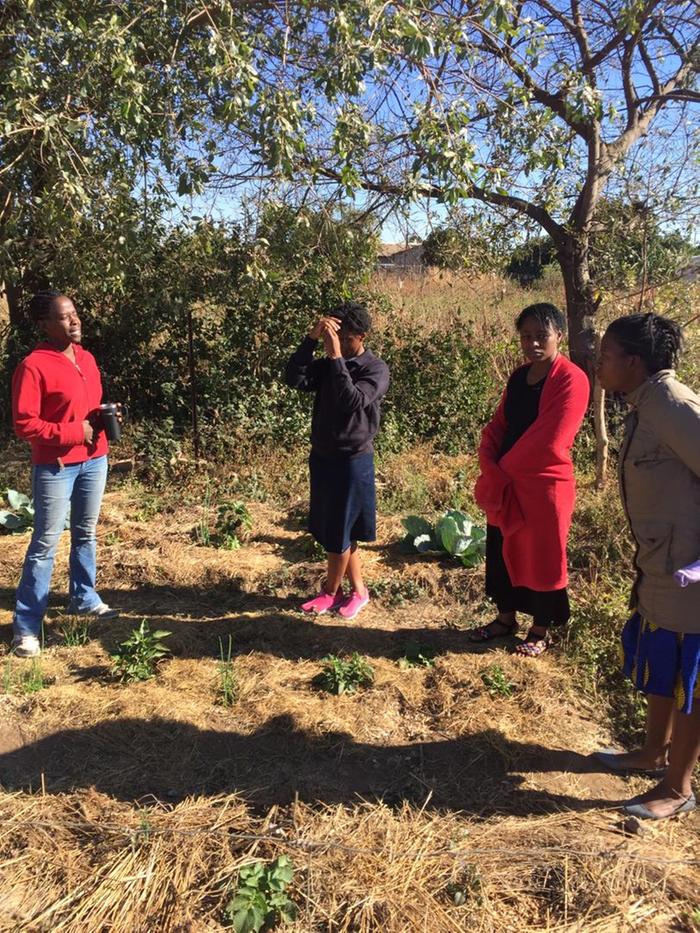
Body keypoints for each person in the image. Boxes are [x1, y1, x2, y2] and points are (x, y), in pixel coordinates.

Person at [594, 313, 698, 820]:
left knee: (690, 679)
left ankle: (677, 787)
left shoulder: (673, 405)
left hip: (689, 575)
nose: (599, 363)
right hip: (661, 565)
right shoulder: (645, 401)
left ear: (633, 362)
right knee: (663, 660)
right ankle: (651, 752)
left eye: (607, 354)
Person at [471, 303, 589, 657]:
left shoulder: (572, 379)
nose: (533, 343)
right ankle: (505, 618)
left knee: (543, 557)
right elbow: (498, 425)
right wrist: (487, 458)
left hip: (544, 485)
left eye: (542, 336)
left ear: (559, 336)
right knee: (501, 549)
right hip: (506, 482)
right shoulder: (520, 377)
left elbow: (552, 439)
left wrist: (501, 468)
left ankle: (540, 629)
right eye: (526, 336)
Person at [10, 291, 120, 658]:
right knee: (45, 544)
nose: (74, 321)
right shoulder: (33, 366)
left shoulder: (86, 359)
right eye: (64, 317)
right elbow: (25, 424)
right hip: (56, 467)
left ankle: (84, 598)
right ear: (44, 325)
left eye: (75, 313)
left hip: (94, 461)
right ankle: (26, 627)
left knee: (86, 533)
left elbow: (85, 410)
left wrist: (104, 419)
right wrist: (74, 433)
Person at [285, 301, 390, 620]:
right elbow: (295, 378)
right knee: (337, 530)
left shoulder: (375, 369)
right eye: (336, 337)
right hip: (323, 456)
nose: (340, 345)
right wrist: (311, 340)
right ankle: (358, 591)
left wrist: (334, 357)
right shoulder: (331, 362)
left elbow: (351, 401)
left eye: (345, 339)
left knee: (340, 532)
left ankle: (330, 593)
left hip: (352, 460)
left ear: (362, 336)